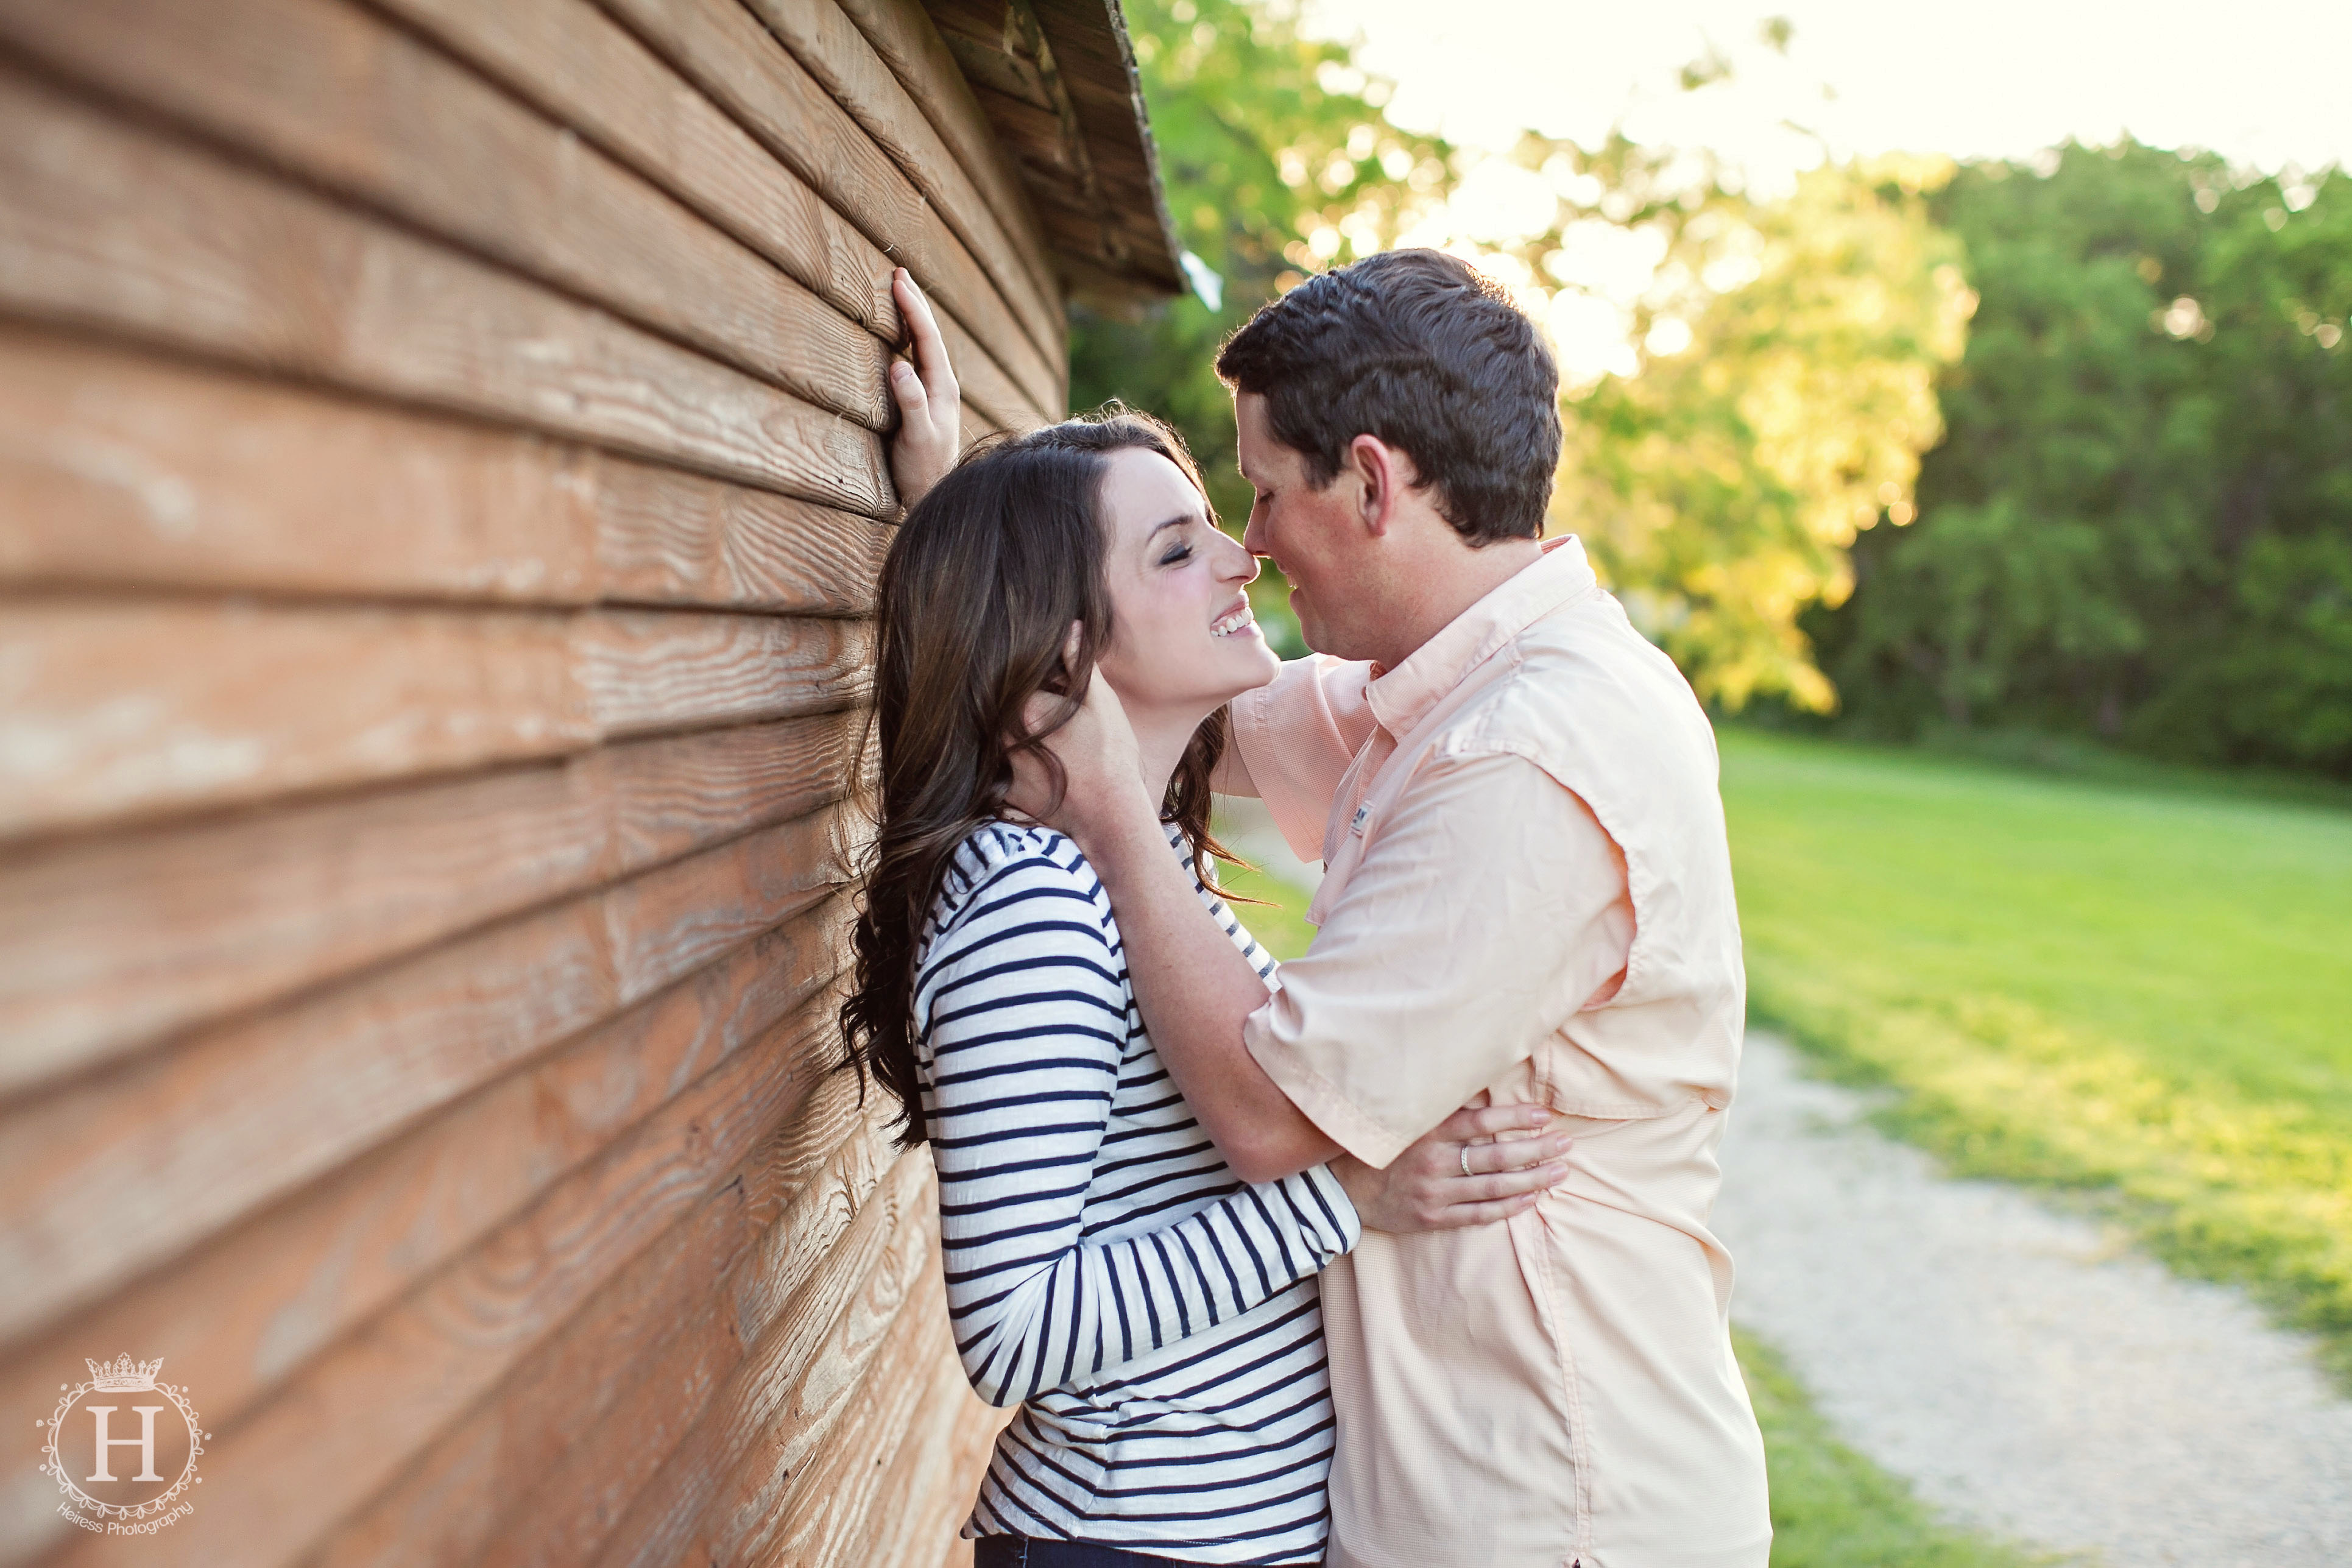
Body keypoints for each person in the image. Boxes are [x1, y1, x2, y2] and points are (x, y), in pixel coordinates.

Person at [1005, 250, 1773, 1568]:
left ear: (1369, 482)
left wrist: (1116, 822)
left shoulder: (1530, 752)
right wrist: (986, 552)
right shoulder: (1435, 693)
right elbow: (1170, 699)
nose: (1246, 547)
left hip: (1546, 1506)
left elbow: (1267, 1114)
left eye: (1259, 491)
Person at [850, 272, 1578, 1567]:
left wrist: (952, 512)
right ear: (1061, 642)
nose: (1243, 555)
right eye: (1179, 547)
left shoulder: (1125, 868)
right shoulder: (1036, 900)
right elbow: (1011, 1329)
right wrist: (1342, 1196)